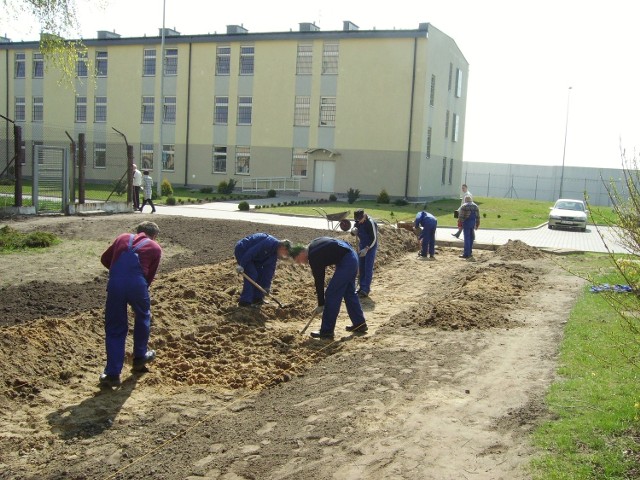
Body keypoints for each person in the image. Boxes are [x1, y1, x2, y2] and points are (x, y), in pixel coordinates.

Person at [99, 221, 163, 388]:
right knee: (142, 317)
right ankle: (140, 356)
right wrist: (139, 287)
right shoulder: (155, 248)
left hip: (115, 283)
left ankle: (112, 373)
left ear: (138, 231)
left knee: (115, 327)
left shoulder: (122, 237)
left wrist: (119, 273)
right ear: (154, 236)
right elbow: (149, 276)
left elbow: (105, 259)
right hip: (137, 284)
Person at [290, 237, 367, 339]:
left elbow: (319, 280)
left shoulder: (313, 256)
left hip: (347, 261)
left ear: (301, 253)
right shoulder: (313, 244)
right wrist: (321, 303)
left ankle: (326, 331)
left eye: (297, 260)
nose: (300, 263)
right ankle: (360, 324)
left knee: (331, 294)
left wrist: (321, 304)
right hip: (351, 256)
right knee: (349, 292)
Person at [234, 233, 292, 307]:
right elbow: (251, 252)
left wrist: (266, 287)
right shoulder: (268, 242)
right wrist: (242, 265)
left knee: (261, 274)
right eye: (285, 253)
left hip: (257, 257)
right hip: (243, 250)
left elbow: (269, 271)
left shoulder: (274, 254)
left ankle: (257, 298)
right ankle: (245, 302)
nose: (284, 255)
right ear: (282, 247)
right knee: (252, 274)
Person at [352, 209, 378, 298]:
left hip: (370, 247)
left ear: (363, 216)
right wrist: (353, 231)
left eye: (360, 220)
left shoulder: (370, 223)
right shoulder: (358, 222)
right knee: (361, 267)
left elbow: (373, 239)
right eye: (357, 220)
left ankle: (365, 289)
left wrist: (367, 249)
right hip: (362, 245)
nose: (358, 222)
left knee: (367, 268)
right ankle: (361, 287)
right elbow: (355, 230)